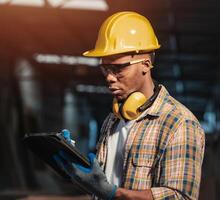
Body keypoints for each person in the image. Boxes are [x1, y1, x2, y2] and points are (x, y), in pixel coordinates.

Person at [54, 11, 205, 200]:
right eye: (105, 68)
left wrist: (113, 194)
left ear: (146, 64)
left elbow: (180, 197)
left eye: (118, 68)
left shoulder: (179, 123)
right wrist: (77, 168)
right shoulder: (112, 120)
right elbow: (102, 186)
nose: (109, 77)